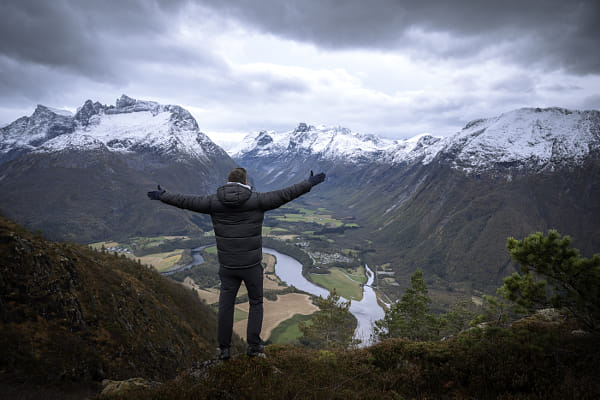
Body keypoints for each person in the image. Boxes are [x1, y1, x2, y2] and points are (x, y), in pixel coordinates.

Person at [147, 167, 326, 360]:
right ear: (245, 182)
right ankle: (254, 347)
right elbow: (286, 194)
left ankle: (224, 349)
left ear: (228, 182)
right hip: (251, 266)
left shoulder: (212, 201)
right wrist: (308, 184)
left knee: (226, 306)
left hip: (228, 266)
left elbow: (185, 201)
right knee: (256, 303)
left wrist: (163, 195)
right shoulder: (257, 200)